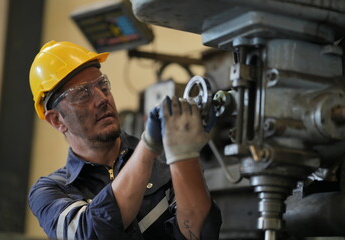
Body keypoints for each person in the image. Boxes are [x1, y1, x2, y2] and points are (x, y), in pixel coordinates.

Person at [28, 40, 222, 240]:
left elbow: (198, 234)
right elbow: (87, 233)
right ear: (57, 120)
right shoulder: (51, 190)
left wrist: (184, 153)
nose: (102, 98)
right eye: (83, 94)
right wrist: (148, 146)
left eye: (103, 86)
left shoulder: (165, 162)